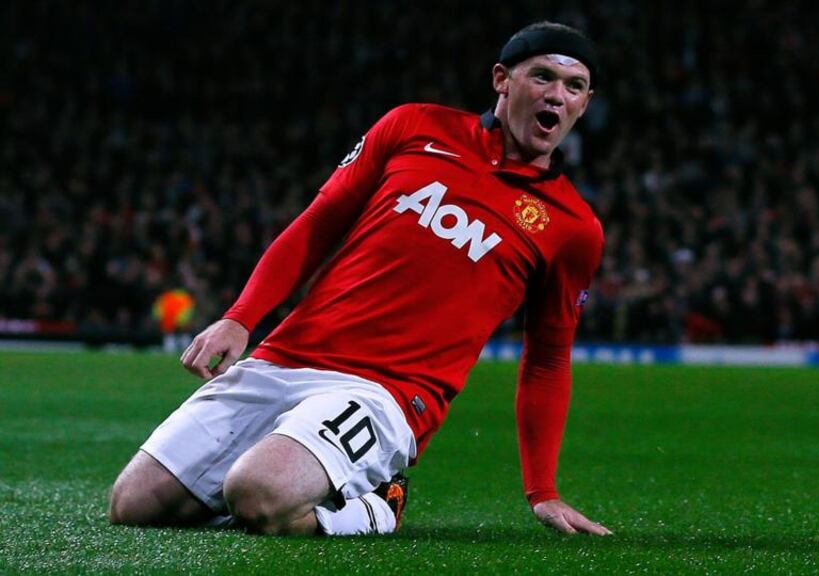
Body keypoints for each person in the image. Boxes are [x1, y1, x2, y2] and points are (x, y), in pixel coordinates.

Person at [108, 21, 611, 537]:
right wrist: (240, 319)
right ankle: (288, 488)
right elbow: (319, 222)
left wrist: (542, 491)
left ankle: (377, 505)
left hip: (388, 392)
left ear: (584, 103)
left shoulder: (572, 228)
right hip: (287, 355)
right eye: (543, 77)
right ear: (502, 79)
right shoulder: (414, 127)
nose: (556, 95)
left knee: (257, 495)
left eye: (573, 87)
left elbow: (548, 358)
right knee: (134, 504)